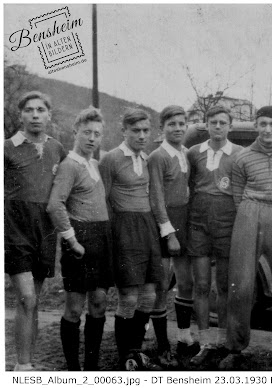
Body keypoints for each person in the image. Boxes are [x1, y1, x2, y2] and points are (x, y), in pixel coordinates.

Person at [219, 106, 272, 369]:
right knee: (241, 283)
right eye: (263, 124)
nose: (268, 129)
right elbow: (236, 193)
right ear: (256, 126)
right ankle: (235, 346)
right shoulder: (242, 158)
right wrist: (250, 212)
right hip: (249, 212)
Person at [4, 91, 66, 371]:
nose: (35, 114)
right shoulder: (6, 147)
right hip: (15, 228)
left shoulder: (57, 148)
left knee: (34, 301)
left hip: (45, 229)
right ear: (21, 115)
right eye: (29, 110)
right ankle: (22, 366)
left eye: (41, 109)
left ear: (49, 115)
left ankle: (28, 363)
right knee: (27, 298)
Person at [47, 107, 113, 371]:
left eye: (97, 134)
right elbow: (55, 205)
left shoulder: (94, 164)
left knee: (99, 304)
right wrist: (72, 240)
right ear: (75, 132)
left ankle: (92, 367)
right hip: (80, 239)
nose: (92, 138)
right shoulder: (69, 165)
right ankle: (74, 370)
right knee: (75, 308)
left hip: (102, 238)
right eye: (86, 132)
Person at [99, 108, 163, 371]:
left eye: (146, 130)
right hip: (123, 227)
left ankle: (136, 351)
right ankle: (124, 355)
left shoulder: (147, 158)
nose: (141, 135)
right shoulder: (111, 159)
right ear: (124, 131)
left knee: (149, 295)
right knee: (128, 296)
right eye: (135, 130)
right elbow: (102, 200)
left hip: (147, 227)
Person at [186, 106, 243, 366]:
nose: (218, 126)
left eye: (223, 122)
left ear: (230, 126)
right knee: (200, 285)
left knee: (223, 286)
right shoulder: (194, 153)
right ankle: (205, 342)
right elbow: (187, 188)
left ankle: (222, 341)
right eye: (213, 122)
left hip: (226, 223)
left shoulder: (239, 155)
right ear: (206, 124)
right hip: (198, 222)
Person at [148, 105, 195, 368]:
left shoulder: (187, 153)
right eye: (172, 124)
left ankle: (184, 336)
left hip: (185, 219)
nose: (178, 128)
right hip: (164, 223)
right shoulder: (157, 156)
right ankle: (162, 344)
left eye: (181, 123)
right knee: (161, 284)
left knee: (185, 280)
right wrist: (169, 232)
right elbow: (156, 197)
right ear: (162, 128)